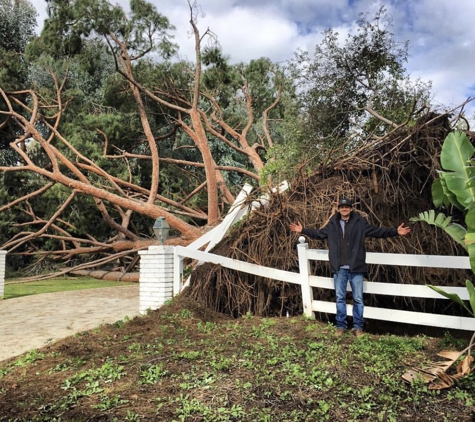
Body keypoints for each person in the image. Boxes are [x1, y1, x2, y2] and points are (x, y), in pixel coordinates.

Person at [289, 198, 410, 337]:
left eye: (347, 207)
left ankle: (358, 327)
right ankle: (341, 326)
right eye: (342, 207)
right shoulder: (333, 224)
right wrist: (303, 230)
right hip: (339, 267)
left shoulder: (360, 223)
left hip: (356, 267)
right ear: (338, 208)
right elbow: (319, 234)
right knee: (340, 297)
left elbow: (378, 231)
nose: (344, 209)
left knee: (358, 298)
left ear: (351, 208)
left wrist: (395, 231)